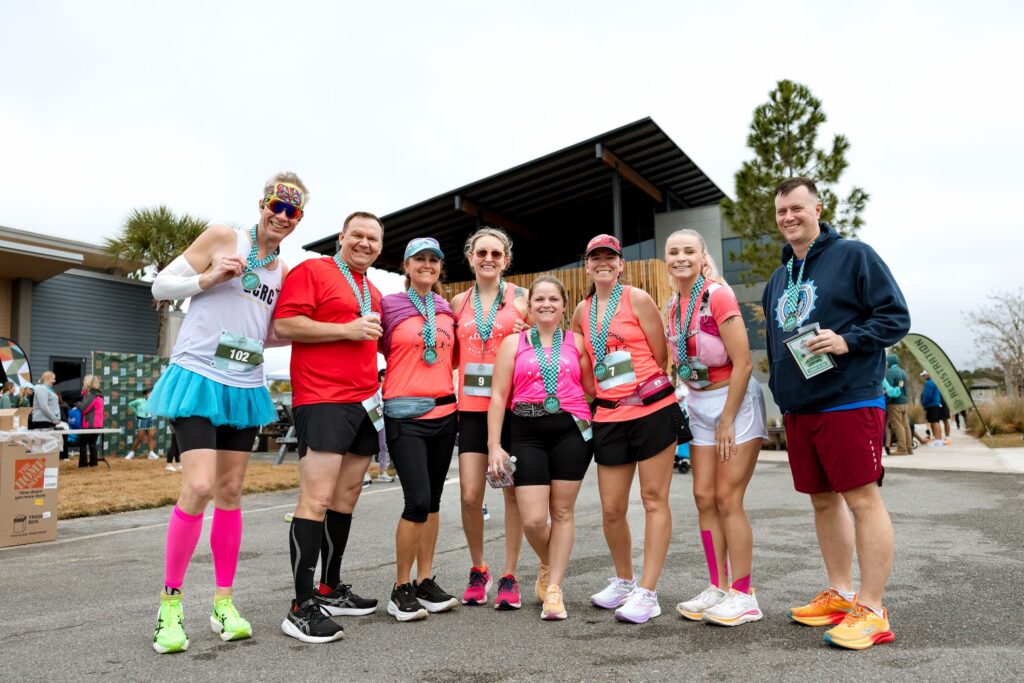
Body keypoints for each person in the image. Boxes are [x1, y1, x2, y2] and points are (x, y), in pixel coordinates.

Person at [146, 172, 303, 653]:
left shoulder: (284, 271)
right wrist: (207, 278)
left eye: (291, 211)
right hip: (196, 376)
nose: (281, 215)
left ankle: (223, 603)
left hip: (244, 384)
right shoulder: (223, 237)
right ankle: (169, 608)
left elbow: (267, 329)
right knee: (197, 486)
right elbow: (159, 287)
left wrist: (310, 328)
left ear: (297, 221)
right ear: (262, 204)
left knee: (231, 491)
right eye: (276, 204)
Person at [762, 177, 910, 650]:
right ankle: (842, 593)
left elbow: (895, 316)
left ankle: (873, 609)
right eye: (782, 211)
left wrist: (849, 341)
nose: (789, 218)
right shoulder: (779, 278)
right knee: (822, 499)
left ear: (818, 209)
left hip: (848, 396)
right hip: (800, 407)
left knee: (860, 498)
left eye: (797, 208)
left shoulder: (855, 256)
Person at [273, 210, 385, 643]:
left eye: (373, 238)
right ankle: (301, 607)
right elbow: (285, 324)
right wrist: (347, 328)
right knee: (316, 499)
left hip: (363, 403)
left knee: (346, 497)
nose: (365, 243)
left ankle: (329, 587)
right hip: (322, 399)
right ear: (342, 236)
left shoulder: (371, 288)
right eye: (357, 235)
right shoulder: (313, 270)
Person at [572, 234, 685, 624]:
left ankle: (649, 592)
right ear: (587, 266)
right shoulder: (581, 310)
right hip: (608, 416)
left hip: (651, 410)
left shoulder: (637, 298)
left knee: (653, 499)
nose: (603, 263)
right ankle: (624, 579)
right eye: (595, 258)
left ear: (621, 264)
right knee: (612, 508)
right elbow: (584, 360)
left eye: (610, 257)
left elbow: (659, 354)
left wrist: (637, 389)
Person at [664, 230, 768, 626]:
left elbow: (743, 362)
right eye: (673, 252)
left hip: (733, 403)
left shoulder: (717, 295)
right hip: (698, 402)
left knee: (728, 498)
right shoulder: (672, 304)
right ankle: (718, 585)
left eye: (689, 250)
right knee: (703, 496)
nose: (681, 257)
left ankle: (744, 594)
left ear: (702, 255)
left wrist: (727, 416)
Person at [488, 275, 595, 620]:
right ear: (529, 305)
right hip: (526, 430)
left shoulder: (576, 342)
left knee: (562, 512)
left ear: (564, 306)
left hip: (570, 430)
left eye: (553, 299)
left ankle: (554, 590)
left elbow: (592, 387)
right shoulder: (512, 344)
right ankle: (549, 563)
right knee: (534, 519)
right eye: (539, 300)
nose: (546, 304)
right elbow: (499, 397)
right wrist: (494, 445)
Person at [379, 237, 460, 622]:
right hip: (405, 416)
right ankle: (401, 587)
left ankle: (425, 580)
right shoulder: (389, 306)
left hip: (446, 415)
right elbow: (375, 349)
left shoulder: (447, 309)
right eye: (419, 259)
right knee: (416, 500)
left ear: (440, 267)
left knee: (434, 502)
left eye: (433, 259)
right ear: (406, 266)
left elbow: (454, 357)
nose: (427, 264)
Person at [450, 227, 529, 609]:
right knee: (469, 495)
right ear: (470, 257)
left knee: (512, 494)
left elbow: (541, 341)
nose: (488, 259)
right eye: (481, 252)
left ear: (506, 260)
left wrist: (529, 331)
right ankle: (479, 567)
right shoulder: (457, 302)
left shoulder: (522, 298)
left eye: (496, 254)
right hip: (471, 408)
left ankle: (510, 574)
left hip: (512, 407)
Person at [884, 355, 911, 455]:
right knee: (906, 425)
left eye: (887, 362)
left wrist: (888, 401)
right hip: (905, 403)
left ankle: (902, 449)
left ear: (890, 362)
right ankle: (909, 448)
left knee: (898, 426)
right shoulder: (903, 372)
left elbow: (889, 390)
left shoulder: (891, 372)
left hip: (895, 404)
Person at [78, 375, 105, 467]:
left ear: (88, 383)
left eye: (85, 380)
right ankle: (94, 463)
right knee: (92, 443)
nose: (83, 382)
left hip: (90, 423)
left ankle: (83, 464)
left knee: (83, 443)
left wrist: (77, 403)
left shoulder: (91, 395)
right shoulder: (98, 394)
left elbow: (83, 409)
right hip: (97, 424)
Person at [126, 389, 159, 461]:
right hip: (141, 420)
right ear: (145, 395)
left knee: (151, 436)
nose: (150, 395)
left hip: (149, 420)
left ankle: (151, 453)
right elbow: (130, 404)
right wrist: (136, 412)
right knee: (140, 438)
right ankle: (132, 453)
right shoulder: (139, 401)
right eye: (149, 394)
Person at [375, 369, 394, 483]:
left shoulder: (387, 388)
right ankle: (382, 472)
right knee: (381, 445)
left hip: (383, 417)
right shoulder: (377, 388)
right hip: (377, 416)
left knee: (384, 445)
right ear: (382, 377)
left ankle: (383, 471)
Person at [920, 371, 948, 447]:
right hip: (935, 404)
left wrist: (924, 403)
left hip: (932, 405)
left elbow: (927, 395)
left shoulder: (929, 383)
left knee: (935, 422)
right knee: (935, 422)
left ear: (928, 374)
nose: (923, 377)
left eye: (924, 375)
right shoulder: (934, 382)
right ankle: (938, 439)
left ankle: (938, 440)